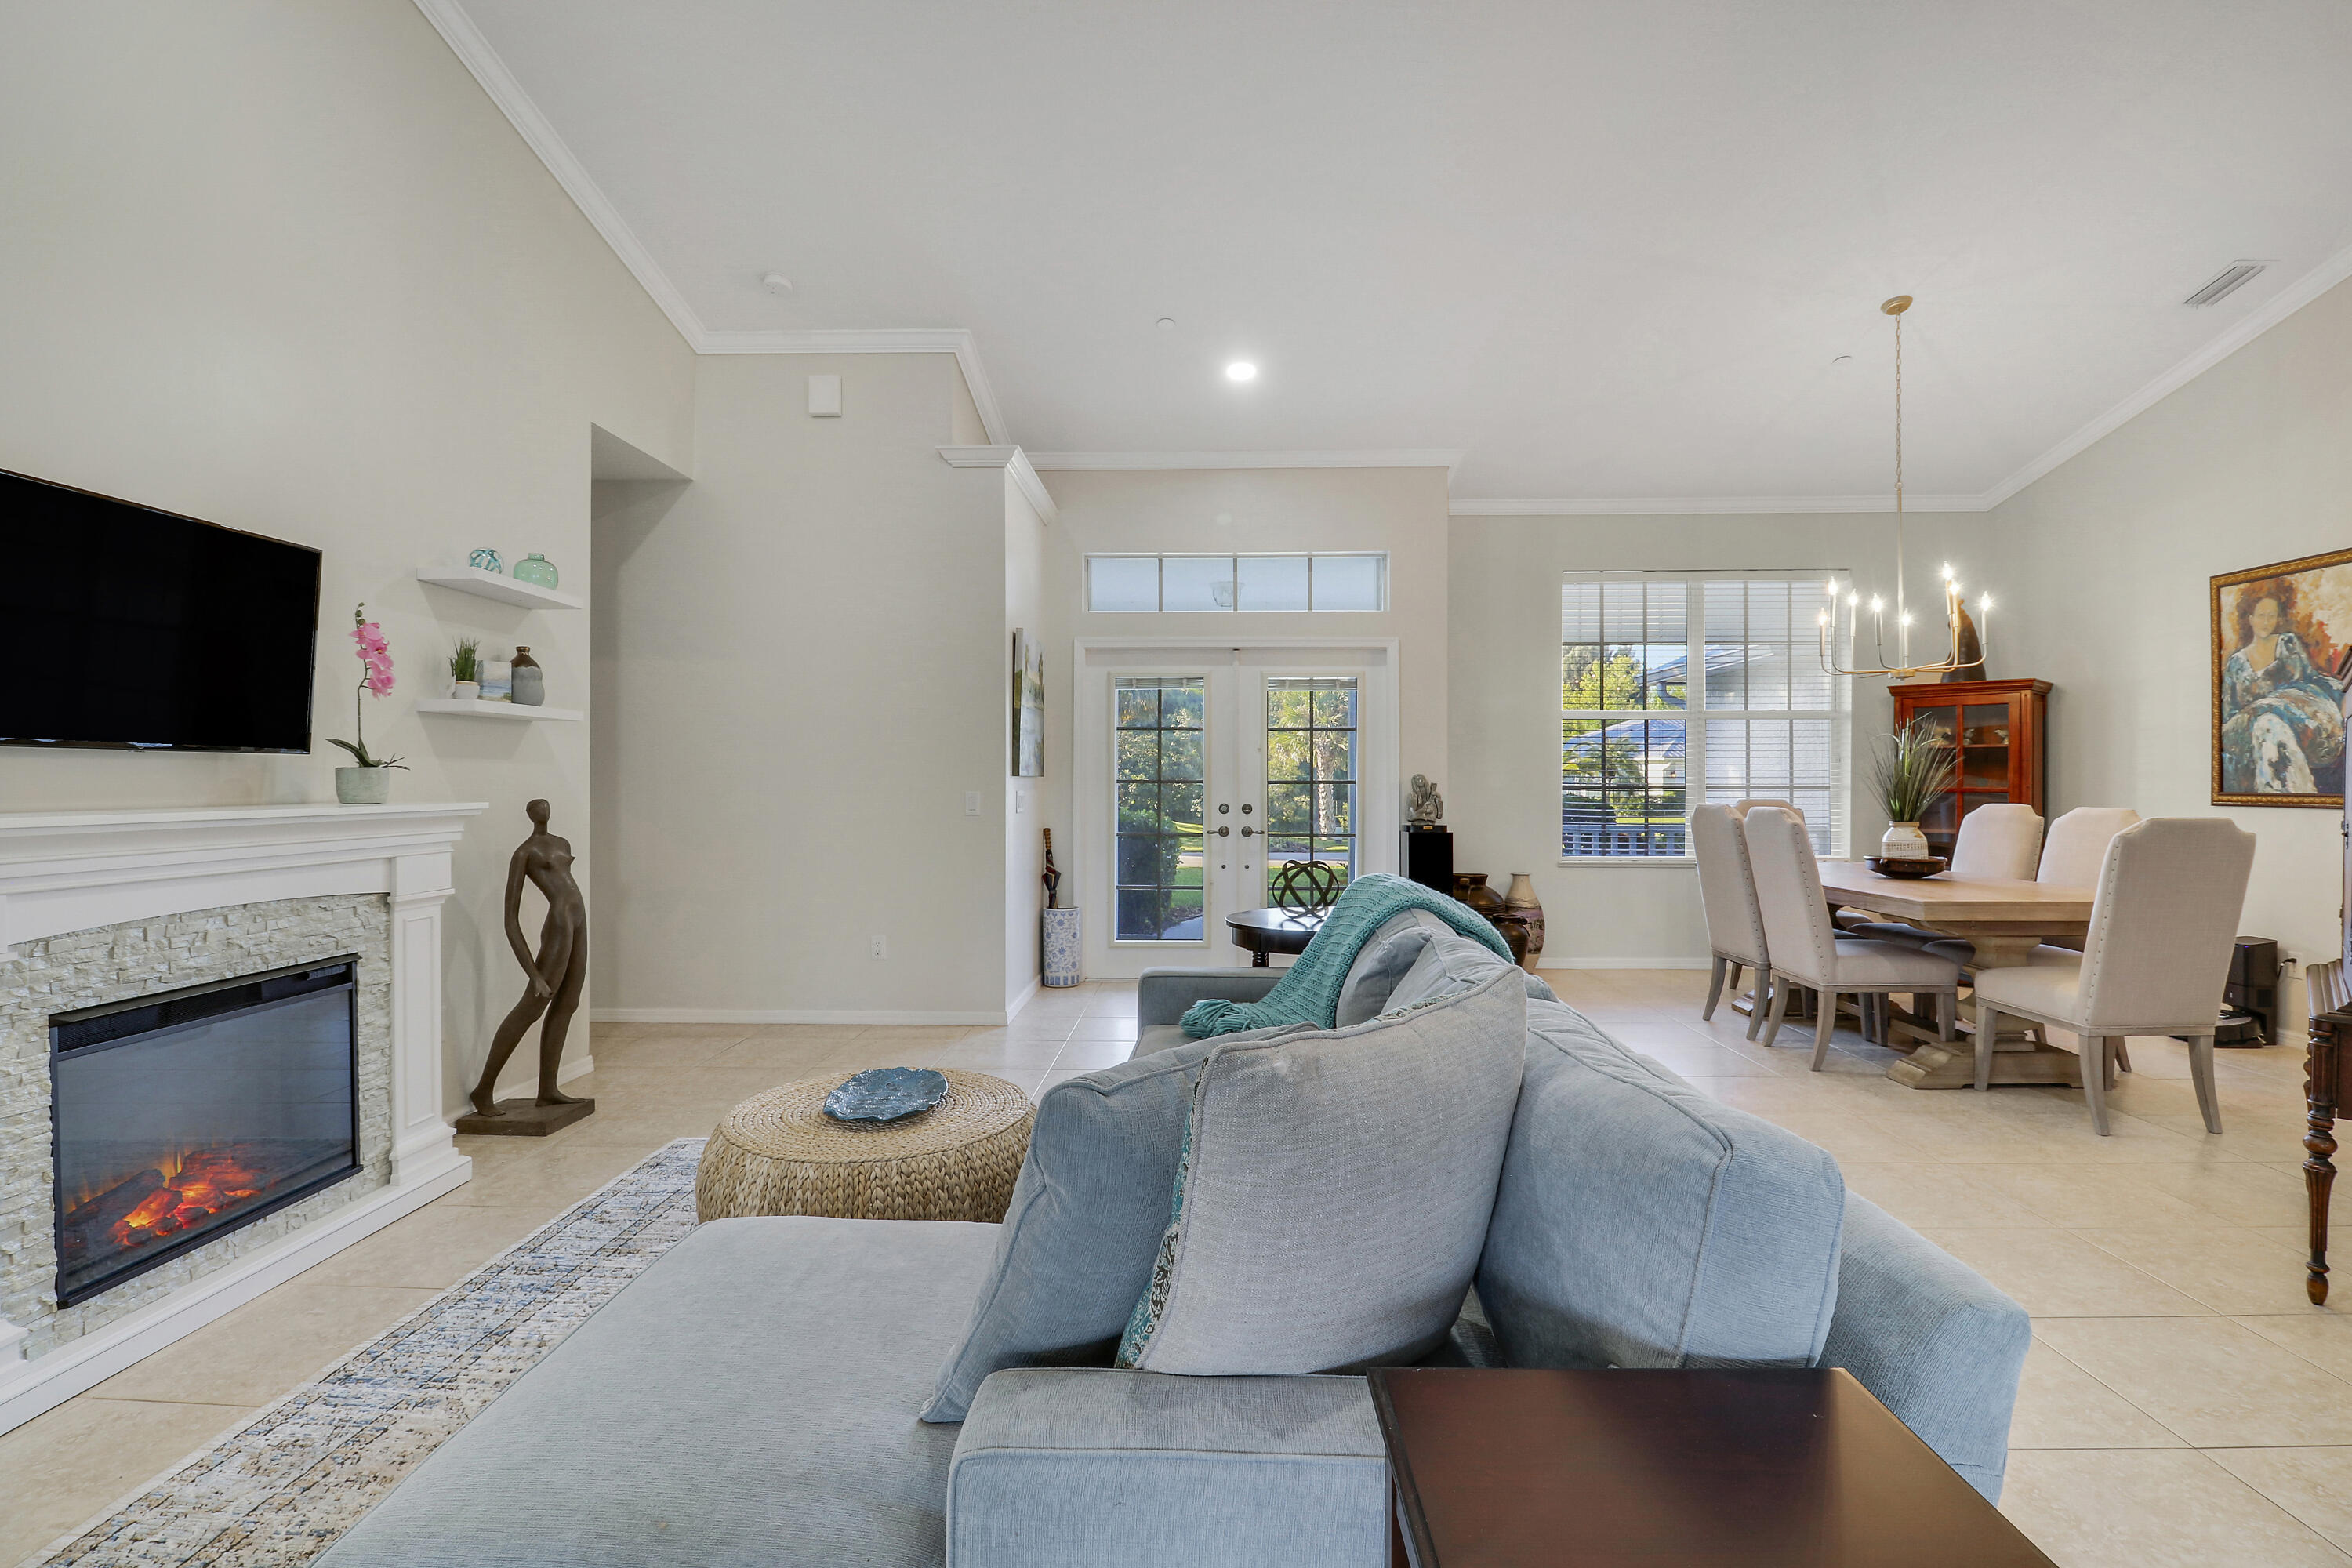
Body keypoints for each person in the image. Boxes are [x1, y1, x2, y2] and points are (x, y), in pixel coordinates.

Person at [468, 799, 589, 1116]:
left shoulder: (562, 843)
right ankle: (484, 1089)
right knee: (532, 1006)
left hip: (578, 917)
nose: (544, 811)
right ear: (530, 814)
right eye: (537, 807)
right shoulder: (524, 853)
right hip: (560, 922)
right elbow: (510, 919)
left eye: (546, 806)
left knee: (568, 1002)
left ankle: (548, 1089)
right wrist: (533, 973)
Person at [2221, 583, 2344, 796]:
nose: (2266, 622)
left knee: (2270, 725)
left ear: (2278, 618)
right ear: (2250, 618)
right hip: (2243, 729)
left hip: (2288, 723)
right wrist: (2265, 707)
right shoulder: (2236, 663)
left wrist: (2342, 691)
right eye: (2261, 616)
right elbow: (2229, 715)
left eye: (2272, 616)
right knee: (2266, 719)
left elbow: (2311, 681)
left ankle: (2294, 793)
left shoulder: (2288, 644)